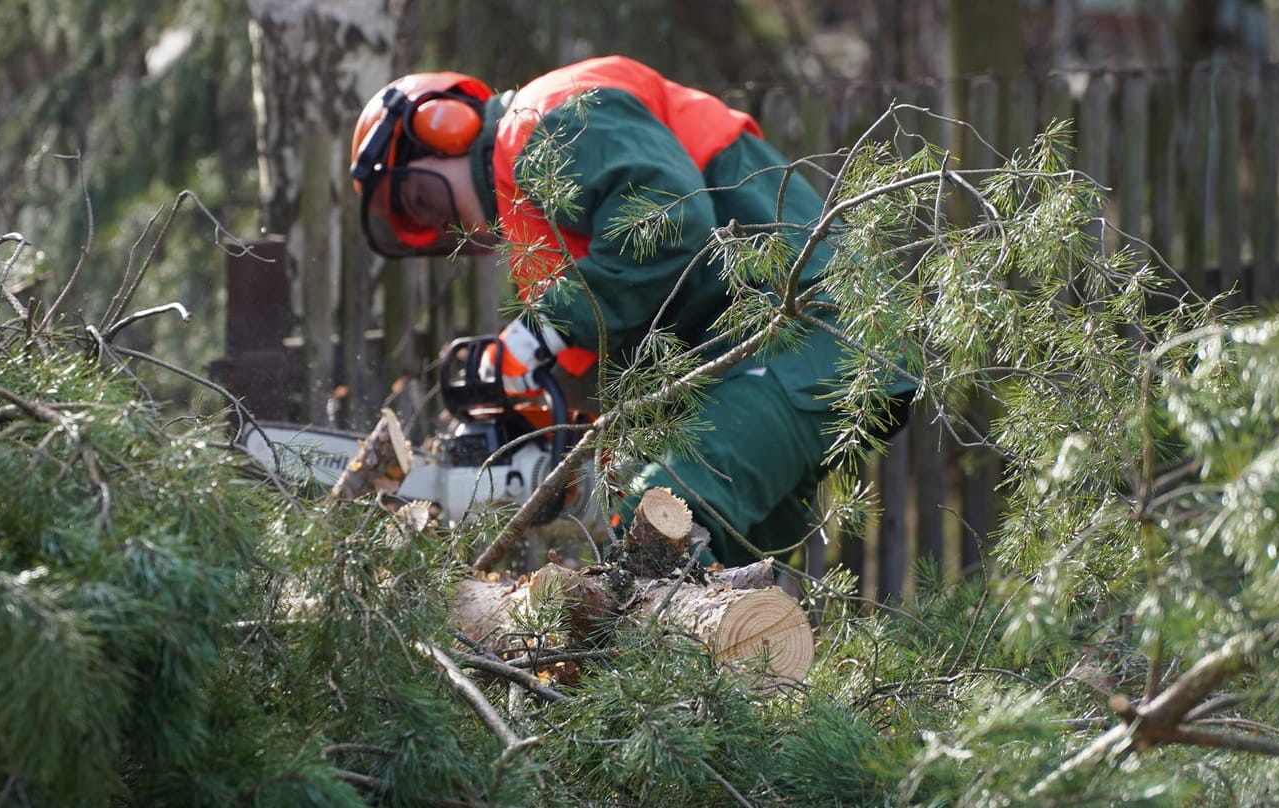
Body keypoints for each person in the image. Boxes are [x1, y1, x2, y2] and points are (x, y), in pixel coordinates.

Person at [348, 55, 915, 564]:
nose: (454, 229)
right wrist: (553, 451)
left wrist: (532, 335)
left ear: (444, 123)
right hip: (746, 366)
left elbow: (668, 224)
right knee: (740, 592)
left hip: (806, 331)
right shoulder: (540, 242)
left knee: (663, 516)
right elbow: (615, 364)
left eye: (424, 200)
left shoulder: (548, 119)